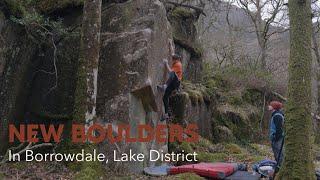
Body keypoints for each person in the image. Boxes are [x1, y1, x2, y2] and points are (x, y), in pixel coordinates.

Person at [157, 54, 183, 121]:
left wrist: (166, 64)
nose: (172, 61)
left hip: (176, 83)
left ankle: (165, 86)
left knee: (173, 73)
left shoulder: (178, 64)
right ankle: (166, 114)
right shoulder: (176, 62)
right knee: (165, 97)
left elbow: (170, 72)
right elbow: (172, 53)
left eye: (173, 59)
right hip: (173, 83)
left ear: (176, 60)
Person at [268, 101, 285, 166]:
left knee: (279, 155)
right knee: (277, 155)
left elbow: (279, 129)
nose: (269, 106)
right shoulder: (275, 115)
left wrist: (275, 138)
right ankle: (279, 167)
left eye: (270, 105)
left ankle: (280, 167)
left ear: (274, 107)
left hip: (278, 139)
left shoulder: (277, 116)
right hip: (276, 139)